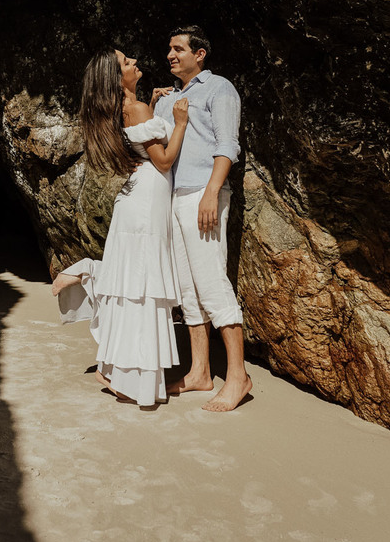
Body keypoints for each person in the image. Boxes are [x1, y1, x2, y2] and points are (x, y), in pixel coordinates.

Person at [51, 48, 189, 407]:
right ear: (117, 78)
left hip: (136, 198)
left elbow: (141, 140)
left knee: (135, 285)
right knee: (142, 286)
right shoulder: (137, 110)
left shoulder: (126, 109)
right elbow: (164, 161)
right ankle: (89, 276)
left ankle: (114, 368)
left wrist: (153, 107)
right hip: (148, 197)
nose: (134, 63)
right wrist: (180, 122)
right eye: (127, 63)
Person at [152, 25, 252, 412]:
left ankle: (239, 377)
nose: (171, 55)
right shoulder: (167, 100)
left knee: (211, 281)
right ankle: (200, 373)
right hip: (173, 198)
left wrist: (212, 191)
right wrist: (153, 98)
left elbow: (228, 144)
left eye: (178, 49)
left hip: (203, 195)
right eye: (169, 49)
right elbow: (155, 140)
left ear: (201, 54)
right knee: (187, 288)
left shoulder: (219, 88)